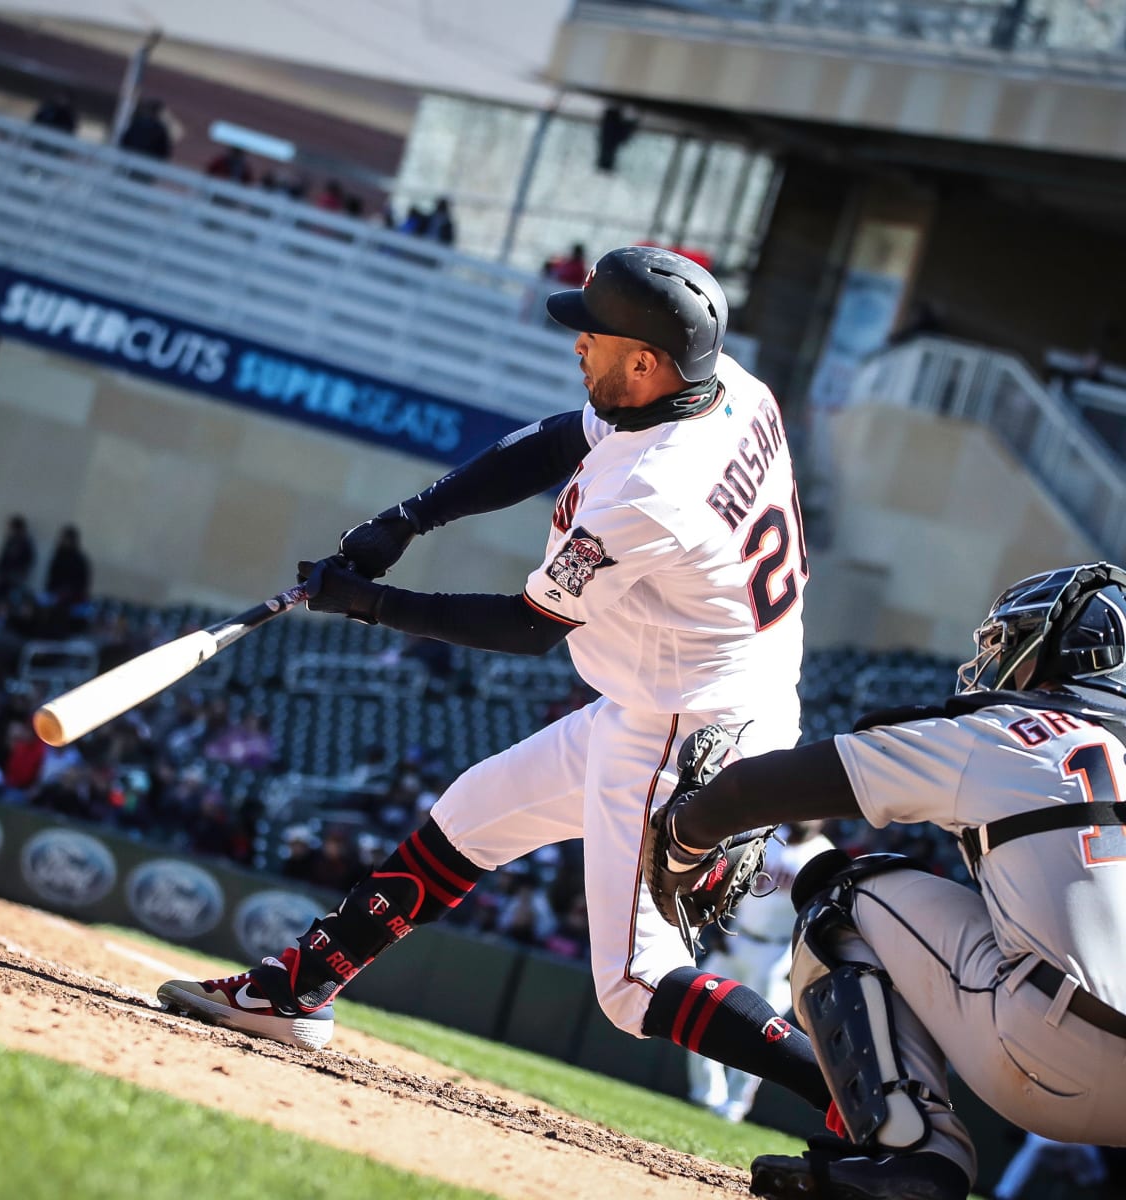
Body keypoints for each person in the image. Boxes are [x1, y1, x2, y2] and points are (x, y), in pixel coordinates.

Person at [157, 245, 829, 1118]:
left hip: (684, 720)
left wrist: (370, 604)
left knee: (634, 987)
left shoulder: (651, 492)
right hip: (700, 690)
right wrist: (409, 518)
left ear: (647, 359)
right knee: (471, 814)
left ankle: (860, 1099)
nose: (577, 344)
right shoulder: (725, 386)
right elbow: (555, 440)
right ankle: (298, 992)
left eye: (595, 334)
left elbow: (525, 628)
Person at [645, 561, 1126, 1200]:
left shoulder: (1013, 736)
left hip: (1054, 1055)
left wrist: (683, 837)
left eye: (1014, 643)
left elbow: (754, 790)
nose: (1000, 660)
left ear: (1069, 653)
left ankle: (915, 1153)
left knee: (843, 892)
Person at [687, 819, 836, 1123]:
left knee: (761, 1030)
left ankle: (733, 1105)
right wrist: (718, 923)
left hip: (778, 951)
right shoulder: (769, 838)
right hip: (737, 936)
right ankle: (706, 1094)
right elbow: (730, 878)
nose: (804, 816)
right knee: (697, 1004)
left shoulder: (823, 856)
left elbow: (819, 917)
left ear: (824, 819)